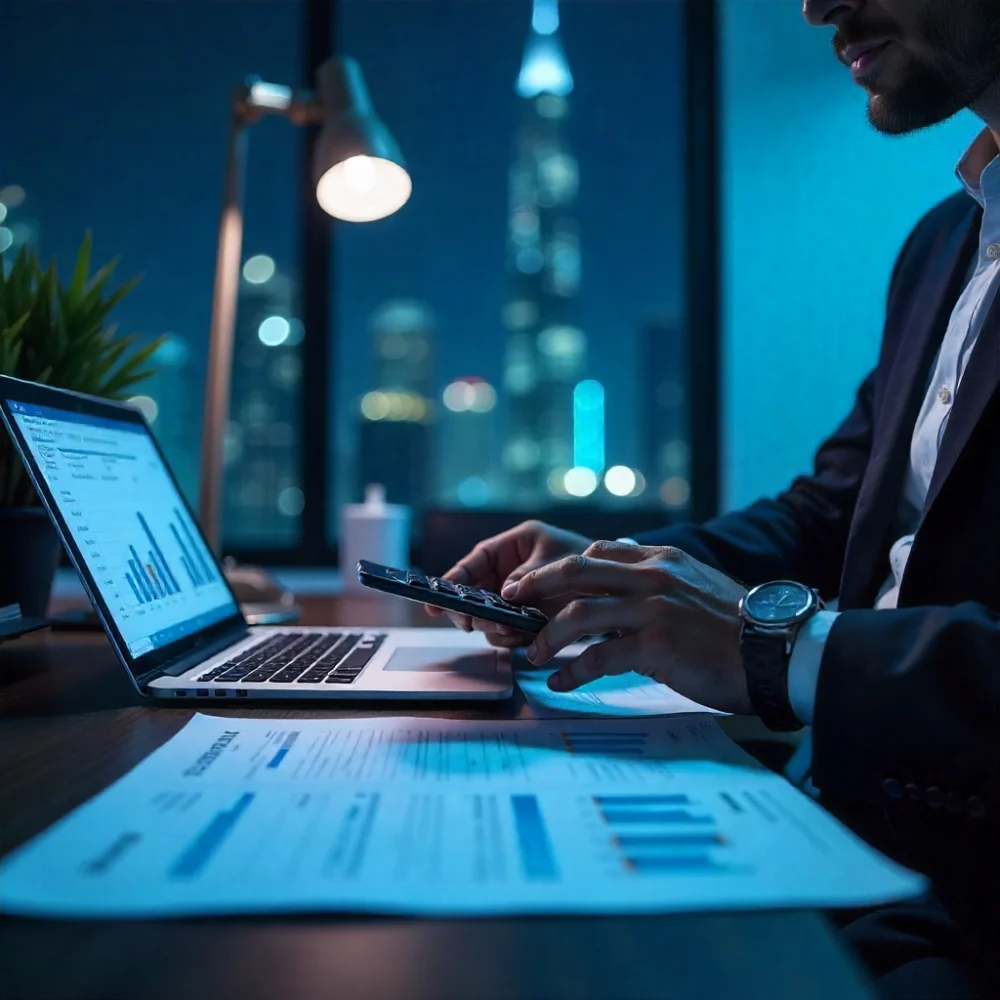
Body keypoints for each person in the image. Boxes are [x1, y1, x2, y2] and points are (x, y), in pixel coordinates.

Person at [428, 1, 1000, 995]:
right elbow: (824, 516)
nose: (816, 4)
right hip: (836, 826)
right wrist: (601, 566)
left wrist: (773, 646)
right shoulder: (945, 242)